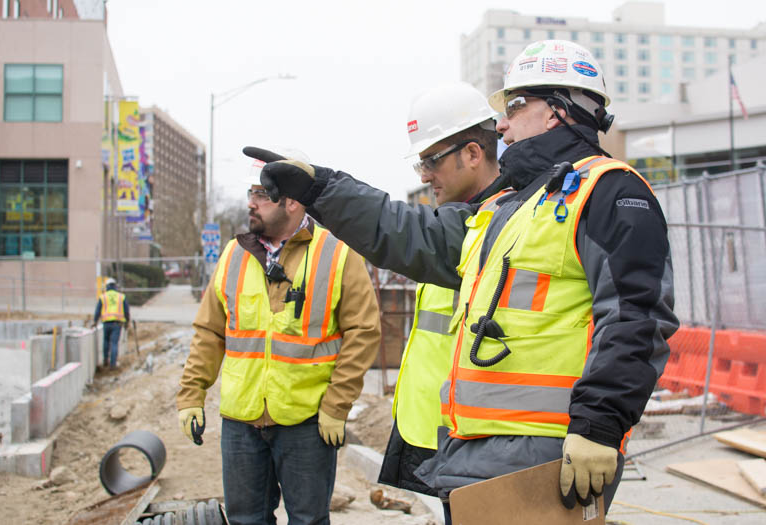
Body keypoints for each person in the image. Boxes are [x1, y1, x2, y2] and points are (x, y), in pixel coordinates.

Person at [249, 39, 679, 523]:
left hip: (545, 452)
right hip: (475, 448)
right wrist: (322, 189)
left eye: (515, 106)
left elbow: (636, 317)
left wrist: (600, 424)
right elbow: (411, 233)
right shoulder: (511, 206)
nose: (501, 124)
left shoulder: (609, 190)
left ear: (558, 111)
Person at [176, 153, 381, 525]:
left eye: (261, 194)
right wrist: (191, 394)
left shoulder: (337, 254)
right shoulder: (233, 255)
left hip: (306, 422)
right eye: (250, 193)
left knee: (308, 520)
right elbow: (209, 331)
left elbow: (363, 332)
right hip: (242, 421)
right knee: (246, 520)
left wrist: (337, 406)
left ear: (291, 201)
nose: (251, 203)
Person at [378, 81, 508, 497]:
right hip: (431, 429)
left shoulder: (506, 224)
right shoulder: (450, 224)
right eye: (420, 163)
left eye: (432, 159)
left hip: (471, 436)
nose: (425, 175)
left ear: (473, 153)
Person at [93, 277, 129, 369]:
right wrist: (127, 321)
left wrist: (95, 321)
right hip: (117, 323)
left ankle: (105, 360)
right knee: (114, 343)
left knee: (106, 341)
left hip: (106, 323)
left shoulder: (103, 296)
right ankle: (113, 364)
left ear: (107, 286)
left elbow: (97, 311)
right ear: (115, 286)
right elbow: (126, 311)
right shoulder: (121, 296)